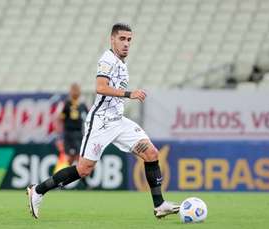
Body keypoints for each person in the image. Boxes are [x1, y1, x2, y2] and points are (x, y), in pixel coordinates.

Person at [27, 23, 180, 219]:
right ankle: (38, 191)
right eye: (122, 39)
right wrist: (129, 93)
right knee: (83, 169)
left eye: (129, 40)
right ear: (112, 39)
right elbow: (101, 87)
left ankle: (159, 205)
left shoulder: (121, 63)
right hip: (101, 122)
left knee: (151, 153)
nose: (126, 44)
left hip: (119, 121)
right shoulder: (107, 60)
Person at [55, 83, 88, 166]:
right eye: (74, 90)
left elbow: (88, 119)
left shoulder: (83, 104)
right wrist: (59, 136)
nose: (76, 92)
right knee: (69, 158)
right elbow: (59, 119)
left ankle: (79, 176)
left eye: (77, 90)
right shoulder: (65, 104)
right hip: (68, 133)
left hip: (79, 133)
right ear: (70, 91)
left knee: (79, 156)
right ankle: (71, 175)